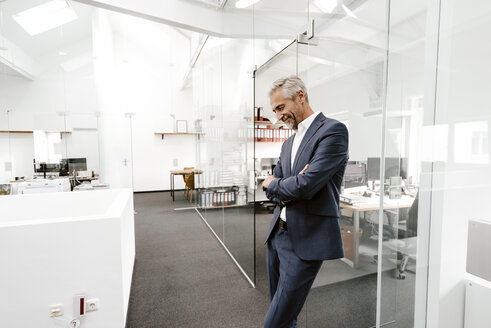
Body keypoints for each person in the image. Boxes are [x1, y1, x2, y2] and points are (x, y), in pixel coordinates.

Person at [262, 75, 349, 328]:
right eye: (275, 110)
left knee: (274, 322)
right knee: (286, 317)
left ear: (300, 96)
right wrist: (282, 184)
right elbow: (273, 189)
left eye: (281, 108)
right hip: (277, 235)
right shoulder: (289, 142)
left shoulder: (333, 131)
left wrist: (277, 183)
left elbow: (307, 185)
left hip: (306, 239)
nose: (278, 116)